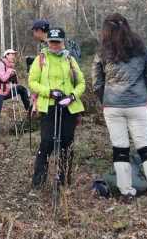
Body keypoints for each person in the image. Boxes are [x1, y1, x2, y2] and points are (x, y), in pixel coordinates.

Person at [92, 13, 147, 202]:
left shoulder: (102, 52)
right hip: (137, 105)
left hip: (112, 107)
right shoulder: (141, 49)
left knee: (120, 149)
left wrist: (106, 101)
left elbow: (96, 83)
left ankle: (126, 192)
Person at [28, 28, 85, 189]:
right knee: (46, 143)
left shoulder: (70, 60)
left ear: (63, 42)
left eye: (57, 42)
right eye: (52, 42)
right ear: (48, 42)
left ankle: (63, 182)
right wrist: (49, 92)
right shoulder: (41, 59)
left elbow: (81, 83)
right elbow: (32, 81)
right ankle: (38, 183)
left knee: (67, 144)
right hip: (48, 106)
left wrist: (72, 96)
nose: (54, 45)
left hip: (68, 107)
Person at [0, 49, 31, 141]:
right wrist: (10, 72)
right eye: (11, 55)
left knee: (22, 89)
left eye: (14, 55)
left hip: (7, 90)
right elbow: (3, 78)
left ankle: (30, 111)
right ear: (6, 56)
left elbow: (14, 82)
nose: (13, 57)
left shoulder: (10, 66)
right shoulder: (1, 64)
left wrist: (14, 76)